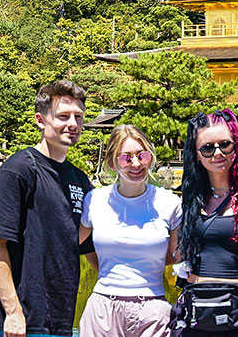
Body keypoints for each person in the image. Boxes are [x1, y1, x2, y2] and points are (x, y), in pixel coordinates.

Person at [0, 80, 94, 337]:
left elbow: (83, 244)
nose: (73, 124)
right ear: (41, 120)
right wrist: (13, 313)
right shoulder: (18, 170)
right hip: (14, 322)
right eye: (63, 116)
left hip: (58, 318)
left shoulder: (79, 179)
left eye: (78, 116)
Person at [170, 109, 238, 336]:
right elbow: (178, 252)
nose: (217, 153)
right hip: (197, 305)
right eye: (207, 148)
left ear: (236, 146)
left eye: (225, 144)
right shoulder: (190, 198)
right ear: (196, 154)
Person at [78, 124, 181, 337]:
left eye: (142, 156)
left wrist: (146, 260)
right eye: (126, 158)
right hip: (103, 308)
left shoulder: (169, 202)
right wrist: (110, 267)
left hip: (153, 309)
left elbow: (176, 255)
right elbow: (81, 245)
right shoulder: (95, 200)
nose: (136, 164)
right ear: (113, 163)